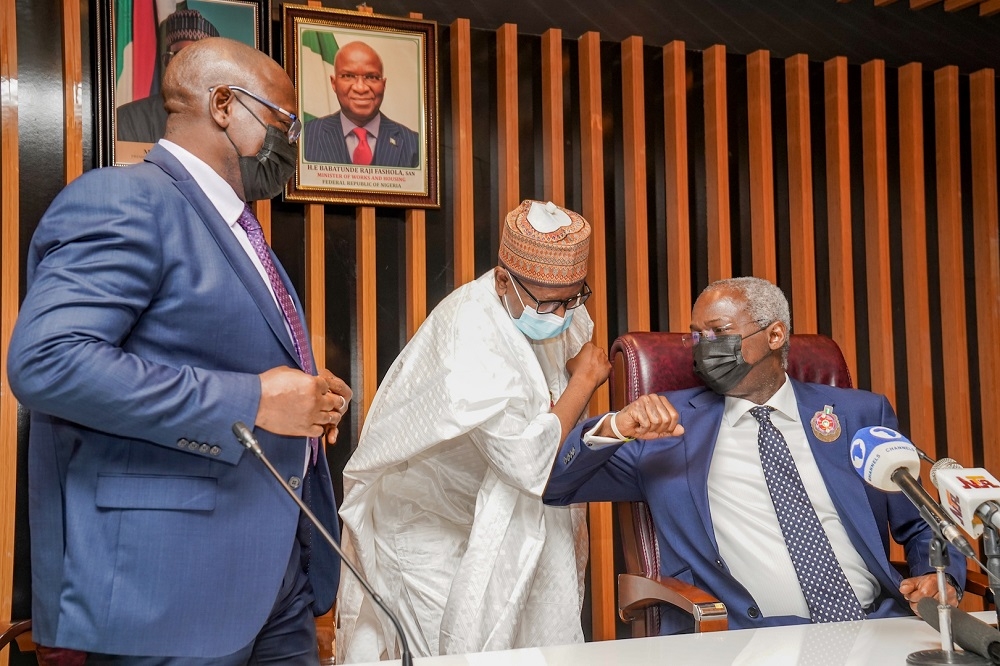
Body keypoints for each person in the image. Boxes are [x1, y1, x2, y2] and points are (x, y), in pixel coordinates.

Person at [7, 37, 351, 664]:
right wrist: (253, 400)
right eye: (285, 122)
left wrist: (303, 393)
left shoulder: (240, 227)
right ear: (223, 104)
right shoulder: (125, 198)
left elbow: (210, 352)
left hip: (277, 582)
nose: (293, 143)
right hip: (166, 589)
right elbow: (49, 360)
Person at [544, 276, 966, 634]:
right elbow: (556, 484)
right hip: (750, 640)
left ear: (775, 335)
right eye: (696, 335)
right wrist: (613, 427)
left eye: (718, 333)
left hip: (880, 625)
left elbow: (923, 524)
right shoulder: (668, 429)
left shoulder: (858, 415)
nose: (703, 347)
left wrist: (939, 577)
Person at [336, 200, 610, 661]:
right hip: (427, 524)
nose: (562, 315)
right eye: (548, 302)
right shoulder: (469, 330)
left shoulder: (558, 307)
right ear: (503, 280)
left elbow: (547, 417)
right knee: (447, 657)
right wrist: (584, 382)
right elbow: (526, 461)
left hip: (498, 514)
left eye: (573, 298)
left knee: (525, 648)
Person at [301, 40, 420, 167]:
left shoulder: (414, 144)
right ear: (334, 83)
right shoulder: (306, 137)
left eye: (371, 77)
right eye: (348, 76)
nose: (361, 88)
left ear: (383, 84)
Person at [117, 9, 220, 143]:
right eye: (180, 56)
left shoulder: (227, 122)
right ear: (168, 61)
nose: (189, 66)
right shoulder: (128, 119)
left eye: (198, 57)